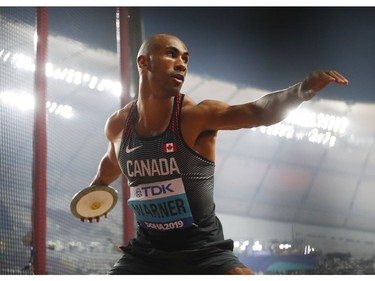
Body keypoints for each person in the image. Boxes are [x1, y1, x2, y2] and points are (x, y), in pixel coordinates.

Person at [87, 34, 349, 274]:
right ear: (144, 62)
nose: (181, 64)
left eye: (185, 59)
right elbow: (112, 163)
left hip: (203, 251)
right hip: (145, 253)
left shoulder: (195, 116)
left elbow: (258, 111)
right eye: (172, 54)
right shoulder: (119, 126)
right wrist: (95, 189)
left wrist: (300, 91)